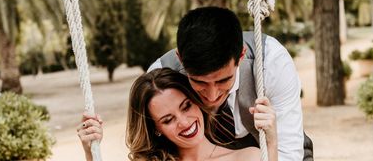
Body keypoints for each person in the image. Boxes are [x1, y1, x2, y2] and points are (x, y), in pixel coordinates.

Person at [148, 7, 313, 161]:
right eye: (199, 82)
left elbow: (289, 153)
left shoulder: (271, 61)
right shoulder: (160, 80)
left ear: (241, 56)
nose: (212, 96)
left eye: (223, 80)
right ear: (180, 59)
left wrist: (270, 146)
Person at [78, 68, 279, 160]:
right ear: (156, 128)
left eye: (186, 106)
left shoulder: (247, 157)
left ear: (197, 102)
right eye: (168, 119)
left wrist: (271, 141)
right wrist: (90, 151)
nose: (184, 122)